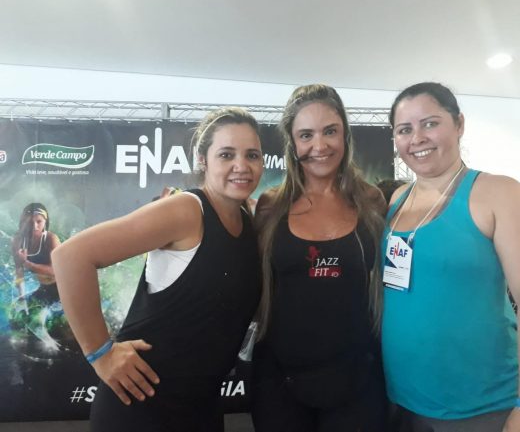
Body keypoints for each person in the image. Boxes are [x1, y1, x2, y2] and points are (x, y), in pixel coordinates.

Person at [51, 107, 264, 432]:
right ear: (203, 160)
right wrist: (101, 354)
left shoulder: (249, 221)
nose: (242, 165)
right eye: (226, 154)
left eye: (252, 155)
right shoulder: (186, 210)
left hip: (201, 407)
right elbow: (71, 257)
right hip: (141, 406)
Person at [382, 82, 520, 432]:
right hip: (402, 400)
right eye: (404, 129)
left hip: (481, 405)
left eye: (430, 123)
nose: (417, 138)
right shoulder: (397, 200)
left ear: (459, 124)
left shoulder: (498, 193)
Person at [251, 84, 388, 432]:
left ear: (345, 134)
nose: (320, 145)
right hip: (280, 382)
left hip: (357, 379)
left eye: (330, 131)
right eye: (306, 135)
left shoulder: (371, 201)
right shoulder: (270, 205)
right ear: (292, 143)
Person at [11, 203, 61, 305]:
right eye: (30, 222)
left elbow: (57, 271)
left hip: (61, 287)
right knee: (21, 313)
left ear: (45, 222)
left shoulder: (51, 239)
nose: (34, 226)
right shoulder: (17, 240)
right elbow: (19, 271)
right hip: (41, 288)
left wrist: (26, 263)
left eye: (39, 221)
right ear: (24, 222)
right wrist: (22, 298)